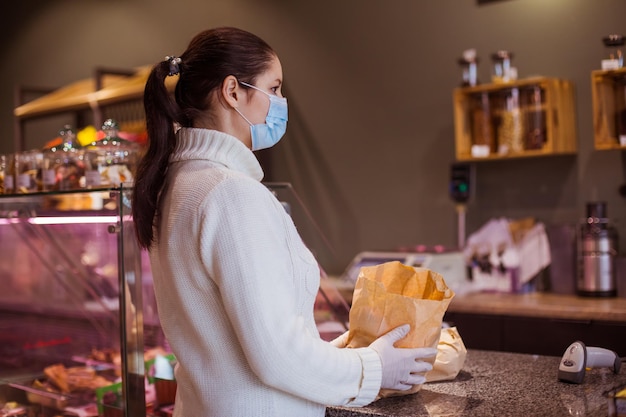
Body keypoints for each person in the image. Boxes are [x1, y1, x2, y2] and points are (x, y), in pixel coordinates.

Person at [131, 26, 436, 417]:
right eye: (274, 89)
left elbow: (233, 340)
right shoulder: (229, 193)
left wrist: (331, 354)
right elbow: (275, 355)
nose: (280, 102)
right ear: (232, 91)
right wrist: (372, 369)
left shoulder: (178, 185)